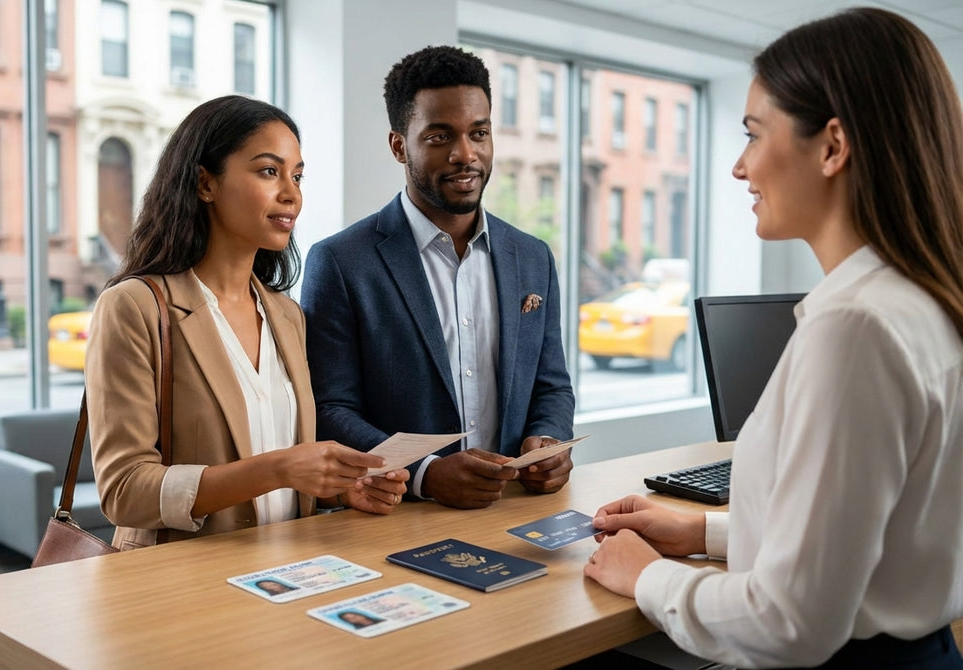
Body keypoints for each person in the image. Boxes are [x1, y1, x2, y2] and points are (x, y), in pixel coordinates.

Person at [584, 8, 963, 668]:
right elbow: (878, 539)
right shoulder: (922, 300)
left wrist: (643, 575)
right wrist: (703, 530)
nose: (739, 167)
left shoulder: (856, 328)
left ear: (833, 146)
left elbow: (792, 621)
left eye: (754, 135)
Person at [87, 95, 410, 551]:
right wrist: (278, 469)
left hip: (286, 579)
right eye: (268, 171)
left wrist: (343, 487)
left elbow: (291, 471)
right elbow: (124, 490)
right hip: (180, 589)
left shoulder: (287, 315)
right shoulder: (134, 307)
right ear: (205, 183)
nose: (291, 193)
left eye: (297, 176)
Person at [301, 45, 575, 510]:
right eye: (439, 137)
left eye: (479, 133)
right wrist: (424, 474)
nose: (464, 154)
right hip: (395, 518)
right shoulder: (341, 261)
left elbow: (551, 385)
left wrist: (548, 441)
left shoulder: (533, 258)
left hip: (511, 511)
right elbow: (329, 411)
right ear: (399, 145)